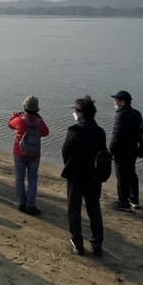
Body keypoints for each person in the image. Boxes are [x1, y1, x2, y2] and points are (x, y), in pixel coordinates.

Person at [61, 95, 106, 255]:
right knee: (94, 208)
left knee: (74, 208)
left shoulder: (75, 130)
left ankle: (77, 242)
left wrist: (71, 164)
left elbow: (66, 150)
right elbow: (103, 154)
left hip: (76, 175)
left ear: (80, 113)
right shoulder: (100, 131)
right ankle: (97, 242)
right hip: (94, 176)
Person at [8, 95, 50, 214]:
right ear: (37, 109)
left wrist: (14, 116)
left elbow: (10, 124)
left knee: (19, 178)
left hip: (19, 153)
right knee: (32, 179)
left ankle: (21, 203)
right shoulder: (39, 121)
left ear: (25, 107)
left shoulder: (20, 120)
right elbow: (46, 132)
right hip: (34, 155)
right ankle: (30, 205)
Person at [109, 89, 143, 211]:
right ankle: (134, 199)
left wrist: (110, 151)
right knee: (131, 173)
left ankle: (123, 203)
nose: (114, 102)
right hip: (133, 150)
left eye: (116, 100)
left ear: (122, 102)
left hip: (121, 151)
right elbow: (140, 132)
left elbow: (116, 136)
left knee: (121, 177)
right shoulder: (136, 113)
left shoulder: (120, 115)